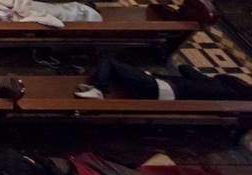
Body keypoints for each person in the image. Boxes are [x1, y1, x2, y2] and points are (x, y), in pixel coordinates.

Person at [75, 57, 252, 101]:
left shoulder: (217, 86)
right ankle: (98, 83)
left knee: (109, 61)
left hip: (157, 88)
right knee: (118, 69)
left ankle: (99, 89)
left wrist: (212, 78)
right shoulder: (224, 98)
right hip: (163, 92)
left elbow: (185, 68)